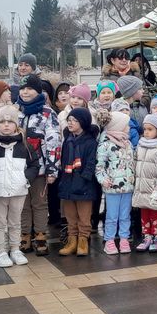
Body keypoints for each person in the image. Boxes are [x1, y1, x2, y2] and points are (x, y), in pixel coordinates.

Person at [0, 104, 39, 268]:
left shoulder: (24, 146)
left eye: (10, 122)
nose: (6, 125)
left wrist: (26, 178)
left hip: (18, 190)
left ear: (16, 125)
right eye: (2, 122)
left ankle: (16, 248)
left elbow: (34, 165)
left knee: (15, 221)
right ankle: (0, 251)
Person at [16, 74, 61, 256]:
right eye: (23, 88)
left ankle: (41, 234)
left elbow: (54, 142)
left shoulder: (47, 113)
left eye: (30, 88)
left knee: (40, 203)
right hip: (18, 168)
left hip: (41, 168)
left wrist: (52, 168)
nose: (25, 92)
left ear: (38, 91)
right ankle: (25, 234)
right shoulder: (15, 111)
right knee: (22, 203)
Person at [58, 107, 100, 257]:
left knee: (84, 216)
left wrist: (84, 178)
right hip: (68, 182)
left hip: (84, 185)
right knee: (70, 216)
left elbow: (91, 163)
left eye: (74, 120)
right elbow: (63, 162)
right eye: (69, 120)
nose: (70, 123)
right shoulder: (67, 140)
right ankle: (72, 241)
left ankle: (83, 241)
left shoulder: (90, 142)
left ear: (83, 122)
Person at [95, 111, 136, 254]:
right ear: (118, 126)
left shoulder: (128, 143)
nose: (129, 128)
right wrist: (103, 180)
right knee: (112, 215)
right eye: (126, 125)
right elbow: (99, 166)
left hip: (128, 186)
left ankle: (124, 239)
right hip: (112, 187)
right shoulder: (105, 145)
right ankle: (110, 240)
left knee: (125, 215)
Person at [133, 114, 157, 252]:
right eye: (145, 129)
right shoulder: (141, 145)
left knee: (155, 214)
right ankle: (146, 237)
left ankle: (155, 237)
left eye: (150, 129)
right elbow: (135, 163)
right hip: (141, 187)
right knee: (144, 213)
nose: (146, 132)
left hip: (154, 188)